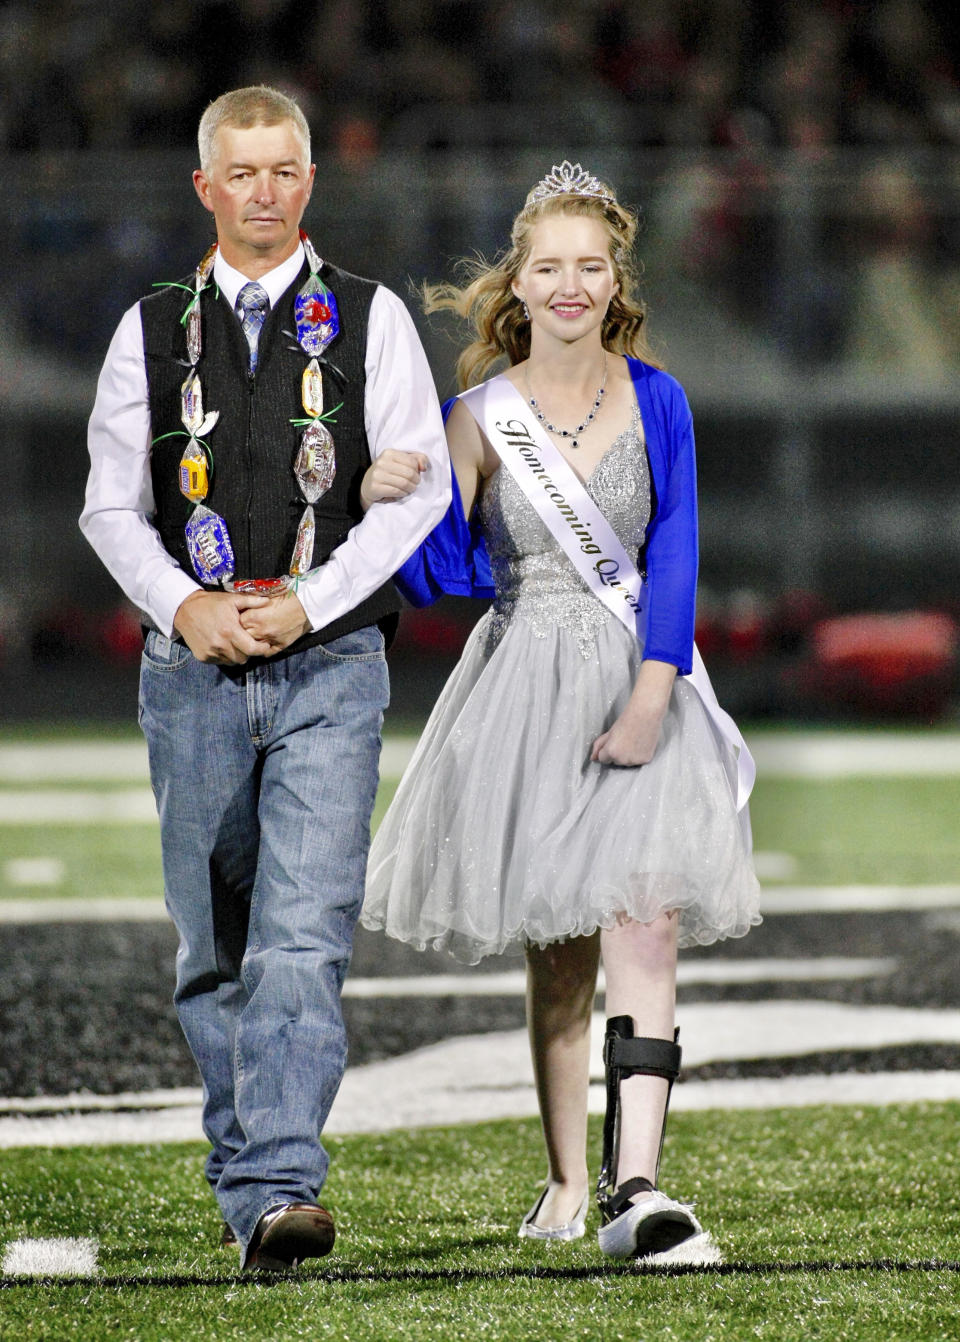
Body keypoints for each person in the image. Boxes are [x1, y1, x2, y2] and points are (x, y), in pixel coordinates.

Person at [361, 162, 761, 1262]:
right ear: (519, 283)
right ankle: (565, 1177)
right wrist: (404, 487)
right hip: (524, 686)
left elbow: (673, 548)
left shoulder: (657, 396)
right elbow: (443, 576)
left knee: (648, 916)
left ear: (615, 279)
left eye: (591, 266)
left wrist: (651, 689)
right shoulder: (479, 415)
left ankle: (639, 1187)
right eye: (551, 267)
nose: (571, 284)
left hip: (640, 674)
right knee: (560, 944)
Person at [80, 85, 450, 1270]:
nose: (263, 192)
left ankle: (281, 1178)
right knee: (215, 946)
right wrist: (186, 606)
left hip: (331, 666)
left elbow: (423, 492)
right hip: (189, 670)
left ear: (309, 181)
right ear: (205, 186)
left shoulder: (372, 315)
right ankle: (255, 1189)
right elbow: (108, 505)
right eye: (240, 173)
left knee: (303, 934)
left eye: (283, 170)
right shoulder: (147, 326)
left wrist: (307, 603)